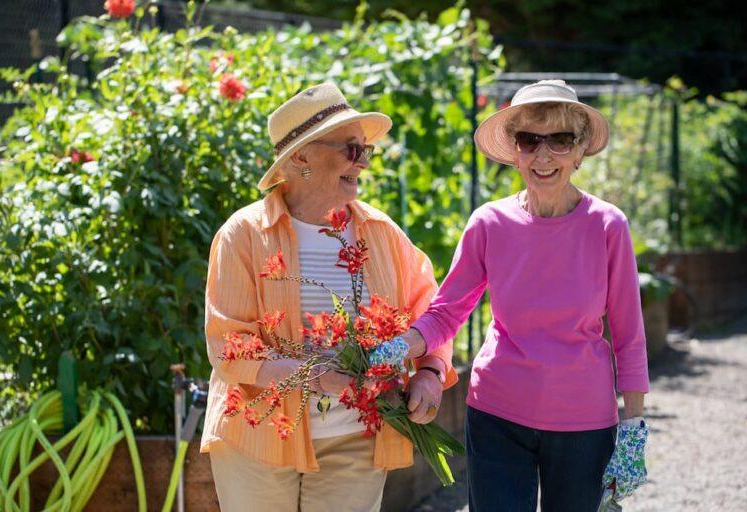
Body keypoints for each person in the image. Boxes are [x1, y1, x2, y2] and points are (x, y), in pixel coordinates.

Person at [200, 82, 457, 511]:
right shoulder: (243, 235)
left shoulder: (382, 234)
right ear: (301, 156)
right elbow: (229, 346)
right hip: (260, 435)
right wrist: (317, 376)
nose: (363, 163)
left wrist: (430, 371)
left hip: (354, 436)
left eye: (365, 152)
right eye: (351, 150)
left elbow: (430, 312)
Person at [400, 80, 650, 511]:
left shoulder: (608, 226)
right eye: (530, 140)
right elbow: (446, 312)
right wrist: (393, 348)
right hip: (498, 412)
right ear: (515, 150)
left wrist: (634, 424)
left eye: (560, 140)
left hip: (583, 422)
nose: (543, 155)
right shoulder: (489, 223)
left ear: (579, 150)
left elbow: (628, 334)